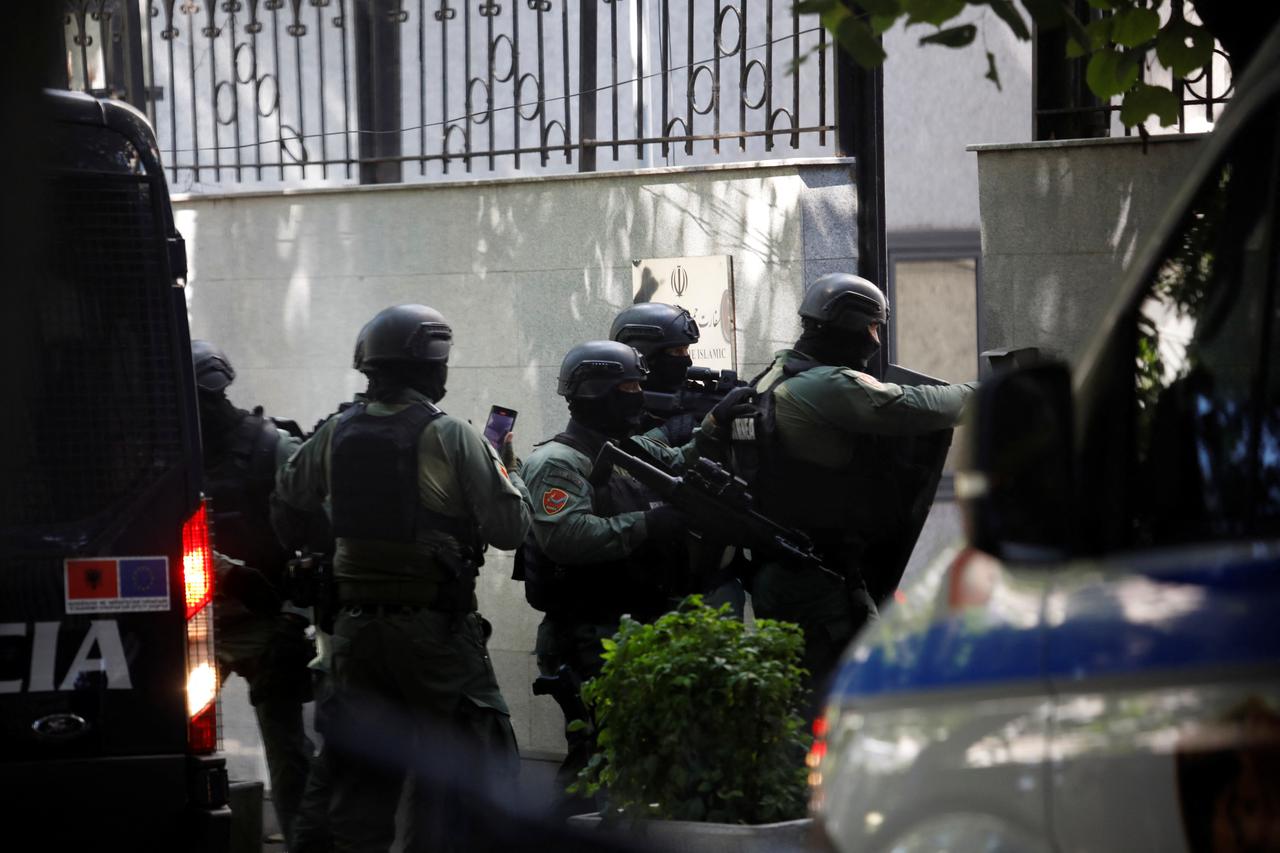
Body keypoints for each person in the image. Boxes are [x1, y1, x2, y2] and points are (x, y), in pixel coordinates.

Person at [274, 304, 530, 853]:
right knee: (464, 767)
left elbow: (290, 495)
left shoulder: (336, 432)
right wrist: (505, 466)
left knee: (357, 780)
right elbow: (511, 529)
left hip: (355, 634)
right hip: (434, 636)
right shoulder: (454, 436)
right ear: (432, 370)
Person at [732, 273, 977, 705]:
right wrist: (993, 391)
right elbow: (919, 407)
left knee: (800, 691)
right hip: (813, 573)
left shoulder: (775, 373)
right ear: (847, 326)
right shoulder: (826, 385)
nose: (876, 339)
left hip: (781, 568)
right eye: (872, 327)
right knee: (839, 698)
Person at [516, 340, 709, 813]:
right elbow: (565, 536)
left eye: (639, 385)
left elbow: (676, 459)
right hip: (586, 634)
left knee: (638, 759)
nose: (637, 395)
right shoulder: (558, 462)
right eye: (627, 386)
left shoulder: (623, 448)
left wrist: (719, 423)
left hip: (630, 625)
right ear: (595, 392)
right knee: (595, 760)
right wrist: (646, 524)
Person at [191, 339, 315, 850]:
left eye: (210, 400)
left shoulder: (273, 448)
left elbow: (318, 539)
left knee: (289, 754)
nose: (207, 410)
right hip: (198, 627)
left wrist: (294, 617)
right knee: (180, 750)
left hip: (268, 623)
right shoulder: (166, 452)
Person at [608, 302, 703, 445]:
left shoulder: (686, 400)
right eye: (677, 351)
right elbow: (619, 455)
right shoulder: (614, 410)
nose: (687, 361)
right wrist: (666, 434)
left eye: (686, 350)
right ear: (647, 357)